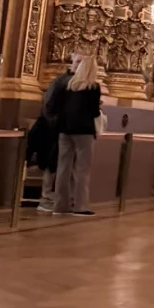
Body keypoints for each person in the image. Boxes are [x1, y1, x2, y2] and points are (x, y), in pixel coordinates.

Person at [45, 53, 102, 217]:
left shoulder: (67, 84)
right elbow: (93, 111)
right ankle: (80, 205)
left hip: (65, 129)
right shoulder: (93, 87)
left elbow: (56, 106)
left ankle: (60, 205)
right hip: (84, 131)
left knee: (63, 167)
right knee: (82, 169)